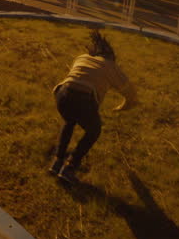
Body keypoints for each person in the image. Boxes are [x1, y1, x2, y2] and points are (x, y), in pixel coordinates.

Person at [49, 28, 137, 181]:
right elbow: (131, 95)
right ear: (111, 56)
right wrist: (123, 107)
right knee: (94, 131)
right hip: (84, 99)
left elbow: (76, 79)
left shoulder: (81, 57)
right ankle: (70, 167)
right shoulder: (110, 65)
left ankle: (57, 161)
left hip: (61, 94)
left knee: (69, 121)